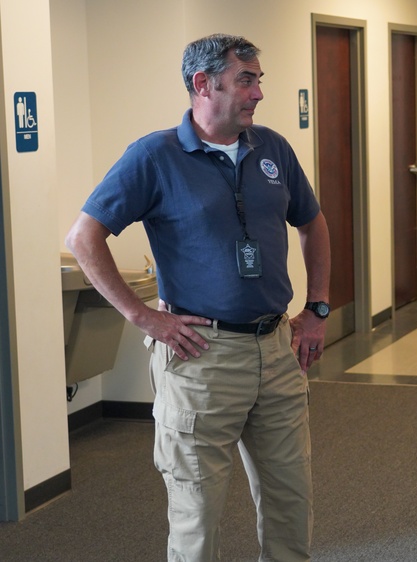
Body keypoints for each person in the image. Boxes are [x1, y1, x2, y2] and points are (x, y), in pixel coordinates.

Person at [65, 34, 331, 561]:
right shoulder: (154, 156)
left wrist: (318, 307)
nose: (258, 94)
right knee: (197, 517)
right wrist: (144, 318)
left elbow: (312, 222)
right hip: (200, 359)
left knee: (290, 504)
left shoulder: (272, 147)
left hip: (277, 350)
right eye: (246, 80)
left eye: (259, 80)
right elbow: (84, 237)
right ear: (202, 84)